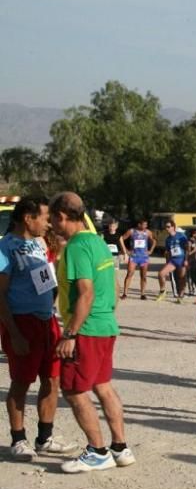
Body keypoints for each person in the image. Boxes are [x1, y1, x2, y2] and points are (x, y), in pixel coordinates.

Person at [49, 192, 134, 473]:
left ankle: (98, 451)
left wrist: (69, 334)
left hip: (86, 329)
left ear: (62, 216)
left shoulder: (75, 247)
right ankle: (120, 448)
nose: (51, 223)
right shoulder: (98, 242)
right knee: (102, 386)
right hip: (105, 325)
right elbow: (110, 285)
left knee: (73, 389)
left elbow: (85, 293)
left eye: (52, 218)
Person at [0, 198, 75, 461]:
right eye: (43, 217)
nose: (48, 222)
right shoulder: (4, 248)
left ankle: (45, 437)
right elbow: (0, 295)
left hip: (48, 321)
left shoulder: (41, 243)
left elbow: (47, 281)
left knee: (52, 379)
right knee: (21, 382)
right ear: (27, 218)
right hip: (22, 322)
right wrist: (14, 333)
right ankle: (18, 439)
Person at [119, 218, 155, 299]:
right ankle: (125, 293)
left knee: (143, 276)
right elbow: (121, 238)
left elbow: (154, 241)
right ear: (139, 224)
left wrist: (151, 250)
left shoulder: (148, 232)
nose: (146, 226)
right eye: (144, 224)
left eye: (146, 224)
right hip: (134, 257)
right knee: (129, 274)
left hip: (144, 257)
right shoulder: (131, 231)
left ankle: (142, 294)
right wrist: (126, 251)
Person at [156, 219, 189, 303]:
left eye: (168, 227)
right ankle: (163, 292)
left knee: (182, 278)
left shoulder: (181, 236)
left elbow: (187, 248)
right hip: (173, 261)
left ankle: (180, 296)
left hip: (181, 260)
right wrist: (167, 261)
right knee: (161, 274)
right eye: (166, 227)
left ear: (173, 227)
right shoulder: (168, 239)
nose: (167, 229)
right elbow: (168, 252)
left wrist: (186, 259)